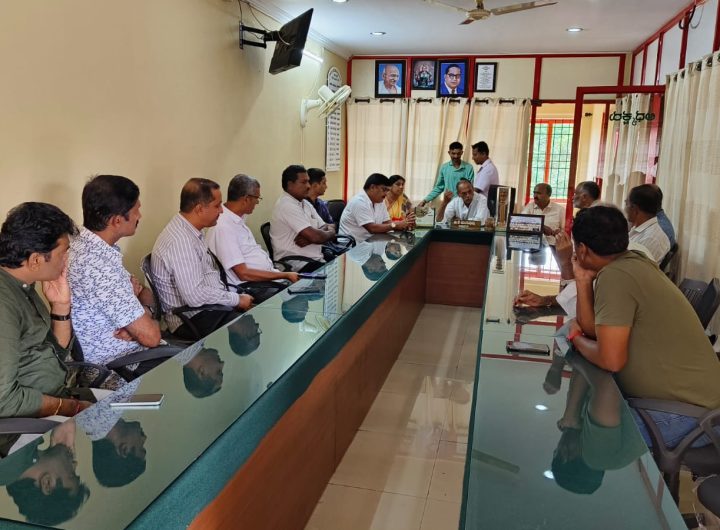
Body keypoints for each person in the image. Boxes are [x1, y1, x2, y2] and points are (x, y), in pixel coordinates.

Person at [566, 206, 720, 449]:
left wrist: (575, 338)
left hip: (691, 417)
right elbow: (594, 330)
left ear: (582, 249)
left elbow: (610, 360)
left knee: (598, 443)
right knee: (596, 416)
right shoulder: (633, 262)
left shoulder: (616, 276)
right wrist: (583, 280)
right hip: (696, 407)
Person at [68, 175, 179, 376]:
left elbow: (145, 293)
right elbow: (151, 337)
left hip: (131, 353)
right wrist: (143, 315)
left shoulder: (86, 246)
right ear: (117, 220)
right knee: (195, 368)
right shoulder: (98, 266)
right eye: (136, 210)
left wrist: (140, 313)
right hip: (121, 366)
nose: (140, 216)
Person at [0, 202, 94, 419]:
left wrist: (61, 306)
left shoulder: (22, 286)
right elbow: (3, 400)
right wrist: (70, 408)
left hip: (57, 398)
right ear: (36, 260)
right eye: (63, 254)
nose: (66, 261)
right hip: (28, 425)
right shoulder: (4, 304)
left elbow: (56, 354)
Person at [151, 178, 253, 340]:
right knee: (248, 329)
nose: (222, 211)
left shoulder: (191, 230)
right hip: (192, 318)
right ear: (199, 209)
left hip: (208, 308)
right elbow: (195, 296)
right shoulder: (180, 241)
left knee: (258, 313)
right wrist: (236, 299)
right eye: (217, 206)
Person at [206, 174, 298, 303]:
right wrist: (284, 275)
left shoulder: (237, 220)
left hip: (265, 281)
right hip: (250, 288)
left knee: (303, 290)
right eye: (257, 198)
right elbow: (243, 273)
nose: (257, 203)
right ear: (247, 199)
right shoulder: (224, 227)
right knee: (297, 299)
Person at [0, 420, 89, 526]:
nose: (75, 464)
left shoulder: (14, 445)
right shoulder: (12, 459)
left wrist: (61, 418)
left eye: (71, 475)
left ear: (47, 483)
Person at [270, 165, 337, 272]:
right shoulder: (287, 205)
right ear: (290, 184)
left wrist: (313, 237)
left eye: (308, 182)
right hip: (296, 264)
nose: (308, 186)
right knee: (333, 273)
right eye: (304, 182)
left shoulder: (305, 203)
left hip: (314, 258)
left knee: (342, 266)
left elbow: (325, 226)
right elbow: (317, 237)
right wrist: (327, 234)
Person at [339, 173, 412, 243]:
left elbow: (386, 222)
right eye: (384, 189)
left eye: (388, 190)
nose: (386, 193)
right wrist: (395, 225)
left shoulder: (380, 201)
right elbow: (372, 228)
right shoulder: (359, 202)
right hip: (351, 246)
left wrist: (405, 224)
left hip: (371, 242)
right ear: (372, 187)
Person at [418, 142, 475, 207]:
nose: (456, 156)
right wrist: (425, 200)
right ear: (449, 152)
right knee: (431, 213)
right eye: (453, 153)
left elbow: (470, 189)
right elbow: (439, 187)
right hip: (449, 205)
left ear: (462, 152)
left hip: (465, 205)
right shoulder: (444, 167)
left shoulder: (469, 167)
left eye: (458, 153)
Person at [625, 184, 670, 265]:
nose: (625, 209)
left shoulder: (651, 238)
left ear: (635, 209)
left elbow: (633, 267)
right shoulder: (638, 228)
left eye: (626, 204)